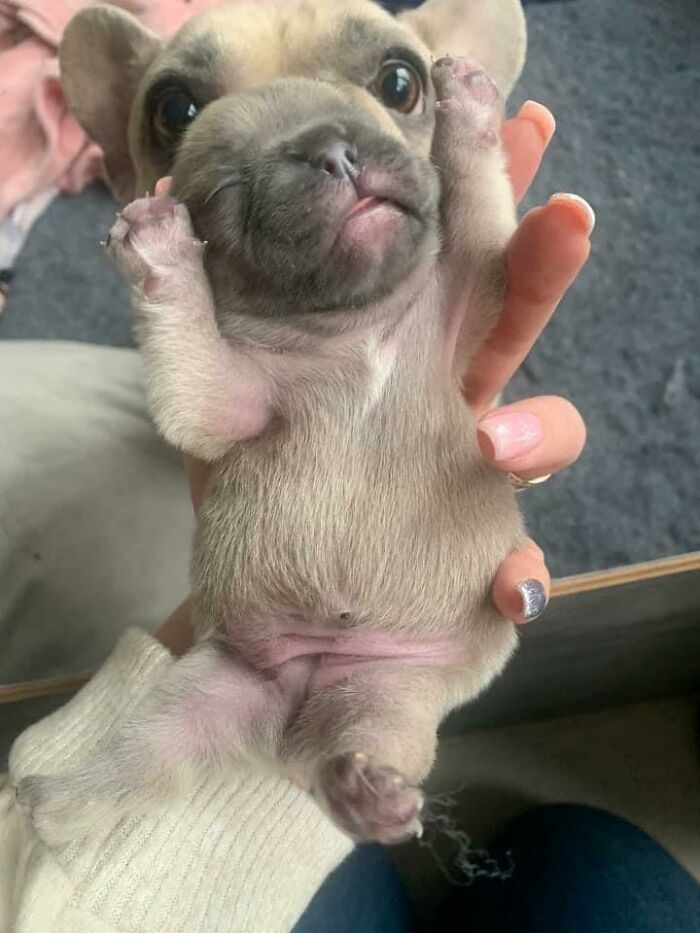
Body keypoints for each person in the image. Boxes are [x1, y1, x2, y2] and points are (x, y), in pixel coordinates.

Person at [0, 101, 635, 933]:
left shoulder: (440, 309)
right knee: (166, 726)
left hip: (409, 652)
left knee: (388, 724)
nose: (337, 164)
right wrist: (173, 287)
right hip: (252, 653)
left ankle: (355, 769)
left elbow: (484, 253)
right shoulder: (264, 353)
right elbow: (200, 409)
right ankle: (75, 812)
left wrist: (473, 144)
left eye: (358, 138)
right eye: (240, 189)